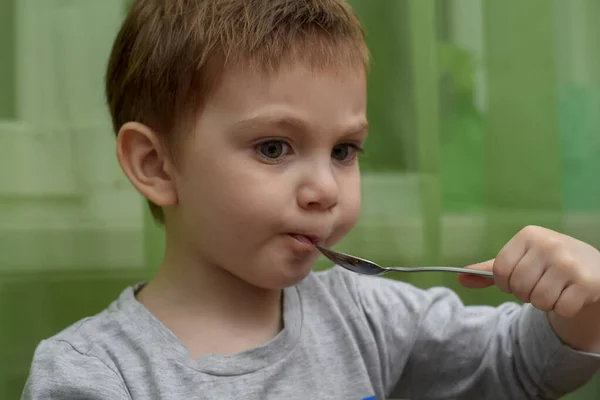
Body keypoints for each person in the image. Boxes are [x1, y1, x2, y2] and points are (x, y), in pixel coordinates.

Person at [22, 0, 600, 399]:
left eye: (345, 151)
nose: (326, 189)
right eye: (274, 147)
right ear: (155, 165)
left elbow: (520, 368)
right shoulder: (93, 376)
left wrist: (585, 303)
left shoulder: (362, 314)